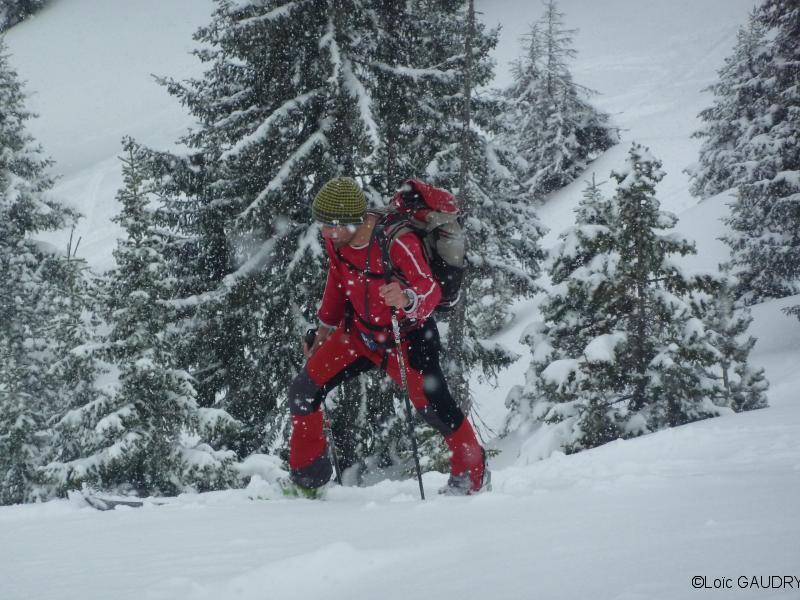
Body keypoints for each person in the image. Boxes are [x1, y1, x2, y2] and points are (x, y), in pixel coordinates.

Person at [287, 176, 490, 496]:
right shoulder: (337, 241)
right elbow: (338, 281)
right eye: (323, 225)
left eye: (333, 225)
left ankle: (472, 475)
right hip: (359, 334)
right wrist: (323, 331)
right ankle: (308, 481)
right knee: (304, 390)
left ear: (355, 220)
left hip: (407, 337)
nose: (326, 232)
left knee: (438, 409)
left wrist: (407, 298)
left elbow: (430, 291)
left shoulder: (396, 242)